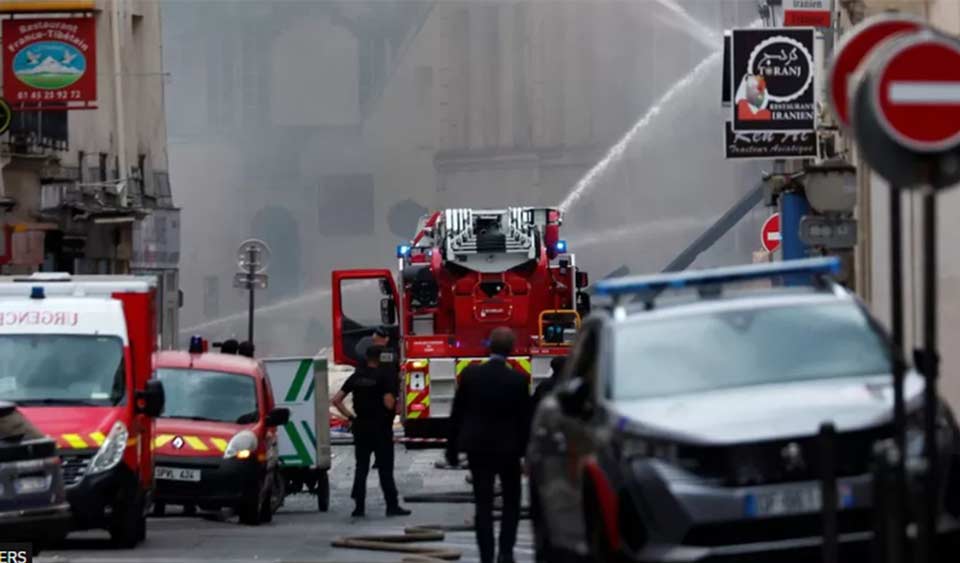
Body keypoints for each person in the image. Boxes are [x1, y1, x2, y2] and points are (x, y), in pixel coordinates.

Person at [446, 327, 532, 563]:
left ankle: (486, 556)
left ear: (488, 346)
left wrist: (451, 449)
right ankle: (505, 552)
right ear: (511, 350)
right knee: (511, 504)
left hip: (478, 448)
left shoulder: (472, 376)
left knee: (483, 504)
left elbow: (458, 413)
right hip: (508, 450)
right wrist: (527, 455)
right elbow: (525, 420)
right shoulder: (518, 380)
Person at [332, 344, 411, 518]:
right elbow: (389, 403)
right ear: (380, 358)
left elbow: (337, 400)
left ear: (366, 358)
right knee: (385, 469)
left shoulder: (357, 376)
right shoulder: (384, 376)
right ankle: (392, 506)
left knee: (361, 468)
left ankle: (359, 507)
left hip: (361, 427)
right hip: (380, 428)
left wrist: (351, 418)